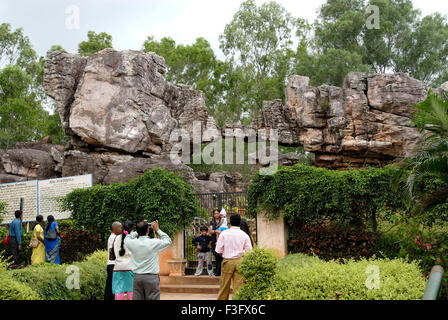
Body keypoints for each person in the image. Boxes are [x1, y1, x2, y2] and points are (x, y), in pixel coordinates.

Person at [124, 220, 172, 300]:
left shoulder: (131, 243)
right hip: (151, 278)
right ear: (148, 230)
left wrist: (137, 231)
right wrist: (157, 229)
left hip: (137, 278)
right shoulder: (154, 242)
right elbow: (168, 240)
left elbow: (128, 237)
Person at [215, 213, 252, 300]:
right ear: (240, 222)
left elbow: (218, 250)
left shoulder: (224, 234)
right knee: (239, 286)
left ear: (229, 222)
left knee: (224, 286)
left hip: (227, 261)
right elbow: (249, 251)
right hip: (240, 261)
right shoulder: (244, 235)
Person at [112, 221, 134, 300]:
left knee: (118, 289)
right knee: (131, 289)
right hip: (130, 267)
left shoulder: (117, 238)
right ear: (131, 229)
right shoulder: (132, 239)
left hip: (118, 267)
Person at [104, 221, 122, 301]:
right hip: (113, 265)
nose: (121, 229)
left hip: (112, 264)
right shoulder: (114, 238)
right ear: (116, 228)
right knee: (111, 287)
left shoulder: (112, 237)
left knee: (110, 286)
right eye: (120, 227)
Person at [209, 209, 223, 276]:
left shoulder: (222, 220)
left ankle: (221, 272)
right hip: (214, 242)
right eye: (215, 214)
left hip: (223, 242)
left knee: (222, 258)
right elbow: (210, 231)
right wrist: (216, 231)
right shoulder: (212, 222)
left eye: (217, 213)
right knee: (217, 257)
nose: (216, 215)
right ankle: (217, 272)